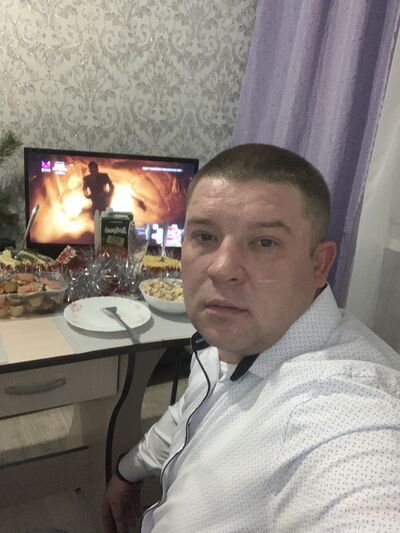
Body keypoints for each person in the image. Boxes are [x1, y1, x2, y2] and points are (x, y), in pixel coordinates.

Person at [102, 144, 400, 532]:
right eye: (205, 236)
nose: (222, 268)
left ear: (318, 264)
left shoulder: (341, 409)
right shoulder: (239, 334)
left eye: (264, 242)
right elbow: (190, 413)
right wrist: (127, 471)